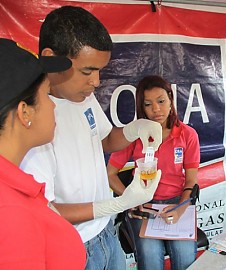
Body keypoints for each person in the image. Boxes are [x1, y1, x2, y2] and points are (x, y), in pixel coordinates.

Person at [20, 6, 162, 270]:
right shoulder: (32, 120)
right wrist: (116, 204)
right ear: (51, 58)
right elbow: (45, 212)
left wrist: (136, 129)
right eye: (87, 71)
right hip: (73, 244)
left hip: (105, 232)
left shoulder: (82, 96)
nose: (96, 82)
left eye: (100, 71)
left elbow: (105, 141)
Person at [0, 38, 86, 269]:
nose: (54, 105)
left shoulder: (14, 187)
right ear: (24, 112)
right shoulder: (9, 214)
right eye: (47, 94)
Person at [107, 75, 200, 270]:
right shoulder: (134, 134)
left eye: (161, 101)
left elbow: (191, 180)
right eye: (148, 104)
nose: (156, 109)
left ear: (170, 99)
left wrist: (181, 207)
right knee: (150, 260)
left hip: (176, 202)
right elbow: (110, 173)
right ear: (141, 107)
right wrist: (131, 200)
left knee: (185, 261)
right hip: (143, 208)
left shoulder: (187, 134)